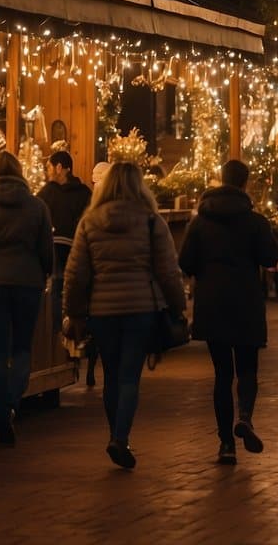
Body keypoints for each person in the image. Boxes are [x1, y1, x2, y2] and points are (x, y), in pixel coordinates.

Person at [63, 163, 184, 469]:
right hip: (140, 308)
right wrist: (178, 306)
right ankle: (121, 437)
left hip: (103, 311)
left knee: (112, 376)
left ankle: (114, 434)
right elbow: (168, 271)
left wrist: (74, 312)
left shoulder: (89, 222)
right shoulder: (151, 221)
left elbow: (76, 274)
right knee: (130, 376)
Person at [180, 160, 278, 465]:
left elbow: (185, 261)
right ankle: (246, 417)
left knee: (222, 374)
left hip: (212, 301)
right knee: (248, 367)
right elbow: (271, 257)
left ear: (220, 180)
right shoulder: (254, 221)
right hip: (246, 301)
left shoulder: (201, 221)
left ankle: (226, 443)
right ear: (245, 183)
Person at [0, 152, 54, 445]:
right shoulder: (38, 206)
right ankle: (13, 403)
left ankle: (1, 410)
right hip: (28, 282)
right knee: (22, 348)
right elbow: (46, 250)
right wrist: (45, 275)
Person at [38, 151, 92, 333]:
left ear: (59, 167)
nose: (48, 172)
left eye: (49, 167)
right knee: (76, 288)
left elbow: (37, 218)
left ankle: (58, 335)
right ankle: (78, 333)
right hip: (78, 248)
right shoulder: (84, 192)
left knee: (56, 287)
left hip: (54, 247)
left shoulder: (47, 192)